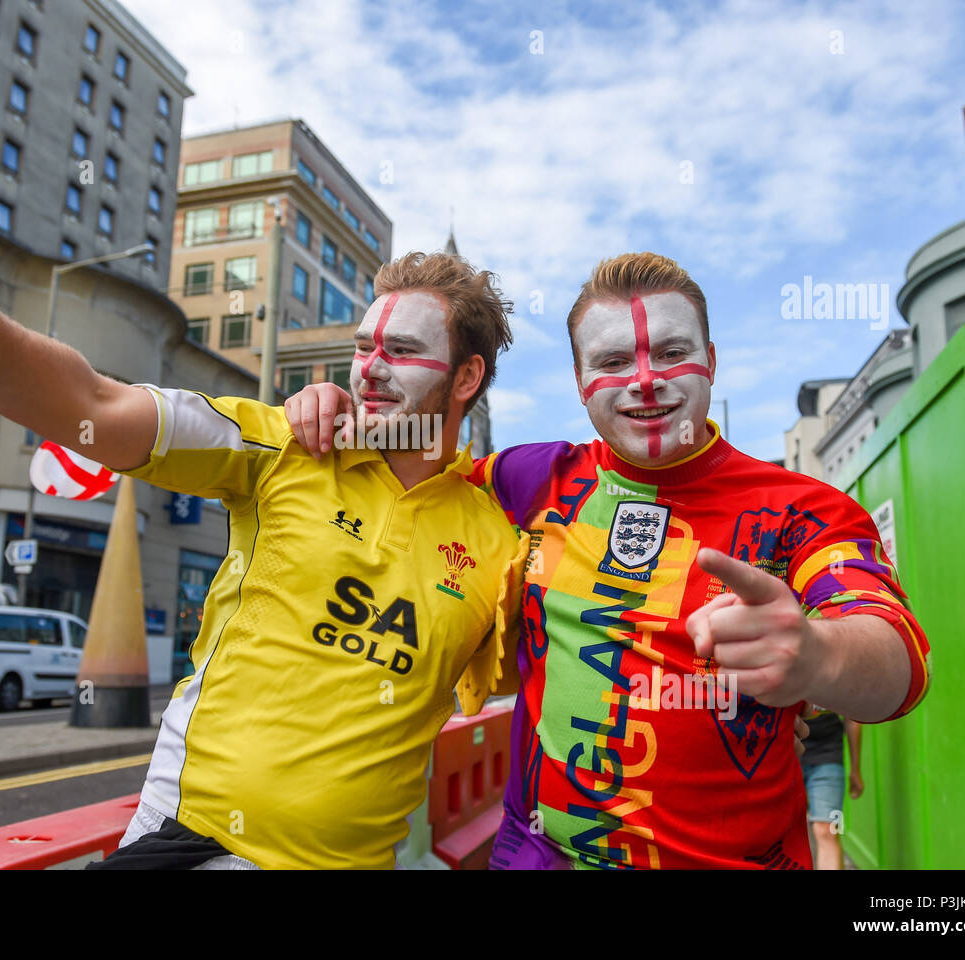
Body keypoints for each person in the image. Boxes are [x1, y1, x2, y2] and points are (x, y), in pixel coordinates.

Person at [0, 144, 528, 869]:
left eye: (400, 351)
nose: (368, 370)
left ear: (465, 380)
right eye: (362, 347)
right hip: (195, 847)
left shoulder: (498, 541)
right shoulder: (278, 447)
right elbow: (83, 399)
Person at [286, 251, 931, 869]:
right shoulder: (529, 479)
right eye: (614, 360)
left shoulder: (805, 508)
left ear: (711, 360)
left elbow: (898, 657)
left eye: (672, 353)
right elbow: (418, 481)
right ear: (579, 382)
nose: (644, 380)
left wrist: (816, 657)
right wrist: (347, 414)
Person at [800, 707, 863, 869]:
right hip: (783, 755)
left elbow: (852, 717)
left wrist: (855, 769)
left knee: (828, 830)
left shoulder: (838, 680)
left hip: (827, 754)